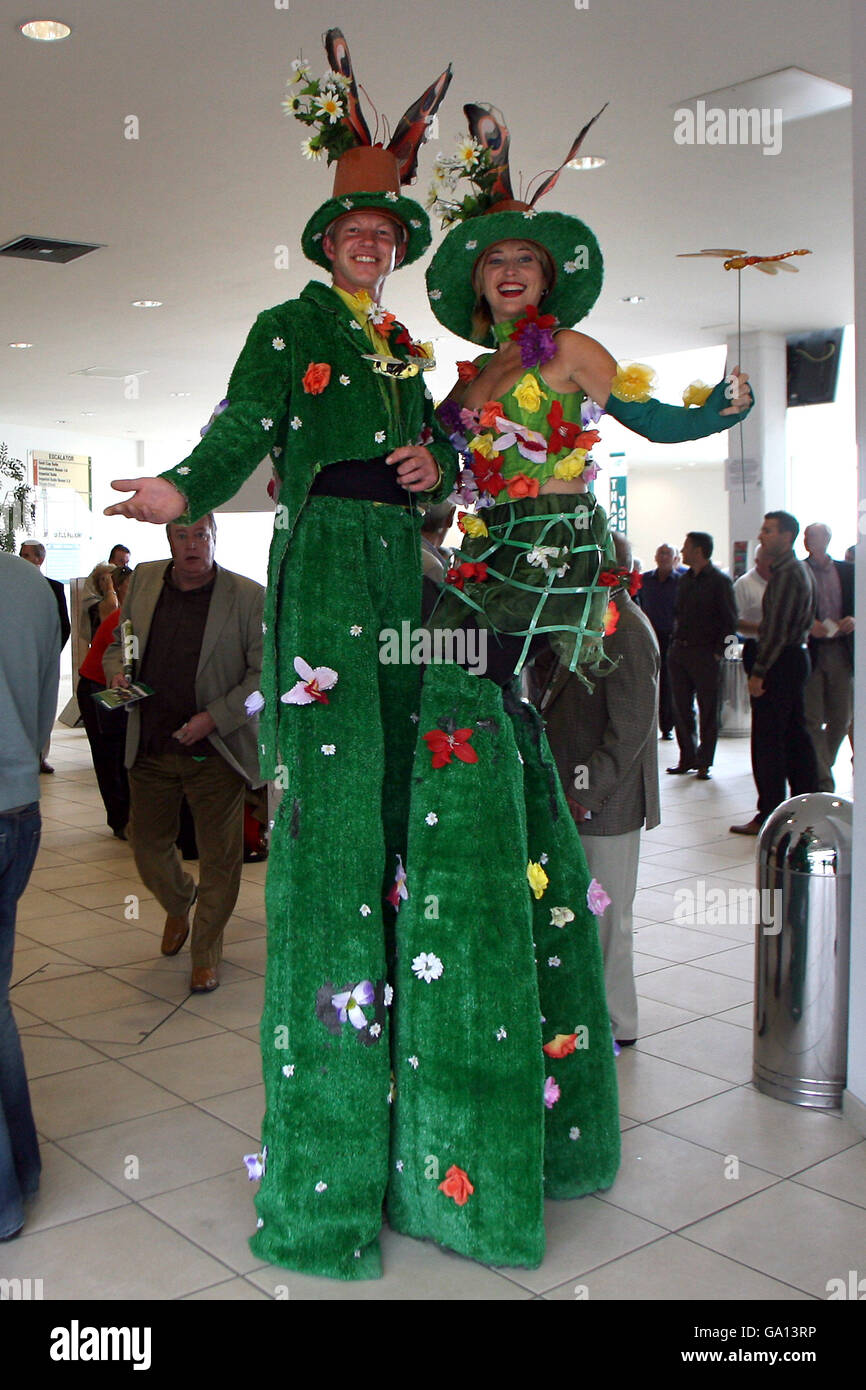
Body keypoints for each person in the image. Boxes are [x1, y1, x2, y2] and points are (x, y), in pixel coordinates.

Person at [424, 104, 752, 688]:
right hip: (490, 539)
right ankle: (505, 776)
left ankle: (515, 775)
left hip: (555, 536)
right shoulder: (470, 378)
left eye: (526, 257)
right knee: (458, 681)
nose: (510, 268)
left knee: (485, 683)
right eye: (495, 259)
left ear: (546, 277)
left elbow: (648, 418)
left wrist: (716, 411)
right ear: (478, 281)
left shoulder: (567, 348)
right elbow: (431, 456)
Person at [102, 518, 264, 993]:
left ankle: (207, 950)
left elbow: (262, 678)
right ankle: (179, 902)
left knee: (220, 858)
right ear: (168, 540)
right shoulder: (146, 580)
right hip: (151, 742)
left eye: (200, 536)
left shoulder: (247, 596)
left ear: (215, 538)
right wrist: (117, 675)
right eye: (181, 536)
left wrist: (214, 718)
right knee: (147, 845)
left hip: (216, 749)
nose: (192, 545)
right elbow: (119, 645)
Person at [531, 535, 660, 1047]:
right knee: (588, 913)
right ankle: (593, 1015)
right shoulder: (589, 623)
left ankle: (615, 1024)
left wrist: (589, 791)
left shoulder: (627, 630)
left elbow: (630, 729)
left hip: (607, 805)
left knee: (609, 920)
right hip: (581, 798)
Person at [0, 551, 60, 1240]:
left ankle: (6, 1199)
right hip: (19, 811)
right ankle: (23, 1171)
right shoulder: (30, 586)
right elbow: (45, 707)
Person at [730, 512, 818, 835]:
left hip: (780, 662)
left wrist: (759, 672)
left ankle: (769, 813)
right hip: (794, 659)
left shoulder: (786, 575)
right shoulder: (799, 570)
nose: (762, 535)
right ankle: (803, 807)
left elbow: (776, 631)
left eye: (768, 530)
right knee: (795, 735)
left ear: (787, 536)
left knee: (769, 741)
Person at [666, 532, 738, 779]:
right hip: (680, 652)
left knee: (708, 709)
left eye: (685, 548)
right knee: (681, 708)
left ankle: (705, 761)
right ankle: (687, 757)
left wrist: (721, 654)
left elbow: (730, 622)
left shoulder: (719, 581)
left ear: (698, 550)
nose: (682, 552)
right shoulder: (685, 579)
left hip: (706, 653)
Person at [77, 564, 134, 838]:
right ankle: (120, 820)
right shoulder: (121, 618)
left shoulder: (133, 616)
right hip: (96, 687)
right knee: (109, 755)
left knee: (122, 752)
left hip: (115, 687)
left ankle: (128, 816)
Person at [802, 523, 855, 791]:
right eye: (807, 536)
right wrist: (808, 623)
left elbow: (860, 606)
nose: (809, 540)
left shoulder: (848, 571)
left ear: (828, 539)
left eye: (814, 536)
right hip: (811, 651)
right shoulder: (799, 571)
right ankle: (823, 781)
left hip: (841, 651)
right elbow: (793, 610)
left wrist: (853, 619)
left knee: (841, 718)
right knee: (811, 718)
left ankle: (822, 763)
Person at [19, 541, 70, 774]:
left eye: (27, 555)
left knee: (42, 708)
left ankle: (40, 756)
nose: (23, 559)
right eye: (21, 555)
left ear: (39, 560)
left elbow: (64, 626)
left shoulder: (54, 588)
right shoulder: (11, 588)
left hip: (43, 660)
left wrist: (49, 654)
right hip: (17, 660)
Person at [636, 543, 681, 739]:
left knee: (669, 683)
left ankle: (667, 726)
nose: (663, 557)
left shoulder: (681, 582)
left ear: (675, 559)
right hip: (649, 635)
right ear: (655, 557)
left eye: (667, 553)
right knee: (647, 680)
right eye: (660, 553)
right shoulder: (645, 580)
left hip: (671, 637)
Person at [733, 543, 771, 675]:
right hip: (756, 645)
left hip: (782, 647)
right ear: (757, 561)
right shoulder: (744, 584)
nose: (772, 562)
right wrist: (764, 629)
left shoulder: (783, 581)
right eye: (768, 558)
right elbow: (734, 621)